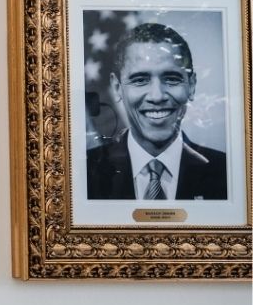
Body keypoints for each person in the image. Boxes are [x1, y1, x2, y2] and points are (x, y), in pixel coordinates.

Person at [86, 22, 227, 200]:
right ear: (117, 87)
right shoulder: (85, 171)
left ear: (191, 85)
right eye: (140, 80)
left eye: (172, 79)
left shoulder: (229, 172)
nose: (157, 96)